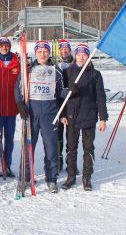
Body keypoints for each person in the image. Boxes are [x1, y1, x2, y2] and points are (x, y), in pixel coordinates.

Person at [15, 41, 64, 193]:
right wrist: (20, 105)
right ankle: (26, 177)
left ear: (49, 53)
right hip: (32, 114)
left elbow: (60, 92)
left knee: (51, 148)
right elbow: (17, 88)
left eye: (45, 52)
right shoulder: (28, 70)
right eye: (40, 52)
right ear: (35, 53)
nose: (43, 54)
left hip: (49, 114)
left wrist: (70, 91)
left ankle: (51, 179)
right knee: (28, 147)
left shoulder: (56, 70)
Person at [60, 43, 108, 191]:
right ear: (75, 55)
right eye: (79, 54)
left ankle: (87, 177)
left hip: (89, 116)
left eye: (84, 54)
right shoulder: (67, 72)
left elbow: (100, 97)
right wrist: (62, 114)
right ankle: (71, 176)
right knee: (71, 148)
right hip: (71, 115)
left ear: (88, 56)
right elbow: (62, 96)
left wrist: (102, 118)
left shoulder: (95, 74)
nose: (81, 57)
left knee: (88, 148)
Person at [0, 36, 20, 178]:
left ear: (9, 46)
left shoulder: (16, 61)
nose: (4, 48)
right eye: (1, 45)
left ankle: (7, 164)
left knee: (9, 138)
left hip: (11, 108)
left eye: (6, 45)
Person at [55, 39, 74, 173]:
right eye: (61, 49)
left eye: (66, 48)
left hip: (73, 104)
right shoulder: (55, 65)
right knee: (58, 135)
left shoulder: (77, 63)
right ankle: (58, 162)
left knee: (72, 136)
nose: (64, 51)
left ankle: (71, 163)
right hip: (59, 104)